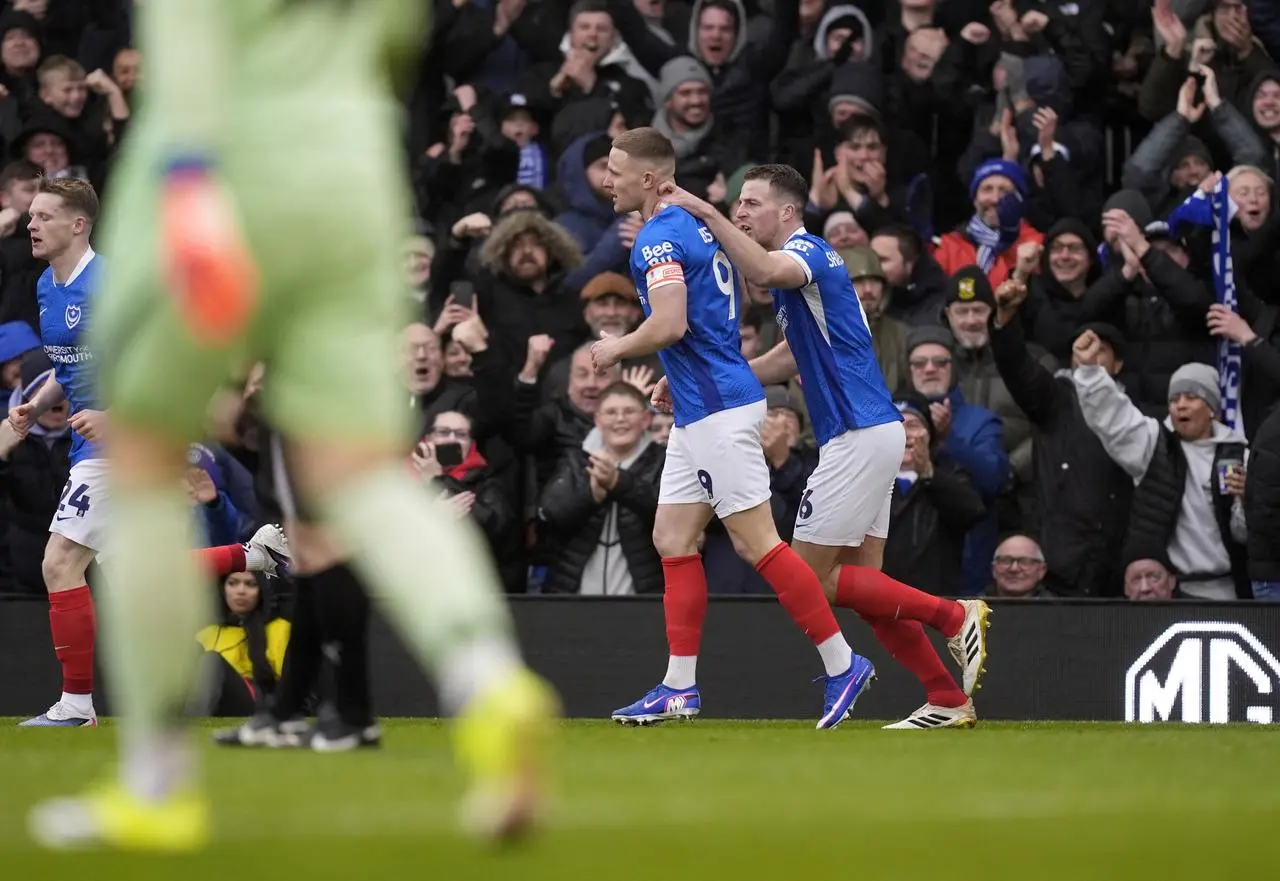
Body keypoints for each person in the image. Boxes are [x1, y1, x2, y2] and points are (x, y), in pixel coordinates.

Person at [28, 2, 557, 852]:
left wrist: (198, 206)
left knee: (144, 463)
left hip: (217, 177)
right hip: (351, 183)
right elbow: (392, 47)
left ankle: (157, 780)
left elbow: (191, 64)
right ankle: (488, 681)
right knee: (360, 476)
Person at [660, 164, 989, 729]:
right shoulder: (802, 282)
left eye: (751, 204)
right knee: (868, 591)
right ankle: (947, 697)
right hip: (871, 433)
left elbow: (760, 266)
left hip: (857, 436)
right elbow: (791, 356)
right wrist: (724, 378)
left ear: (787, 212)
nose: (741, 212)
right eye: (736, 204)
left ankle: (954, 614)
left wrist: (706, 211)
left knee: (810, 578)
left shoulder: (808, 252)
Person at [592, 128, 873, 730]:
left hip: (719, 412)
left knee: (757, 545)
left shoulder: (659, 237)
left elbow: (667, 324)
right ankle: (678, 687)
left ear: (647, 179)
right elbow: (706, 322)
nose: (605, 180)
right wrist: (683, 371)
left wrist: (617, 349)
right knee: (672, 537)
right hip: (702, 407)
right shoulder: (695, 229)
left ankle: (842, 663)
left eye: (615, 171)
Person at [3, 178, 105, 729]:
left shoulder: (108, 286)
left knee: (59, 563)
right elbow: (73, 367)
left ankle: (76, 706)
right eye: (31, 216)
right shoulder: (47, 285)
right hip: (86, 442)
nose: (30, 225)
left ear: (77, 225)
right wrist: (38, 403)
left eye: (43, 216)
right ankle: (255, 555)